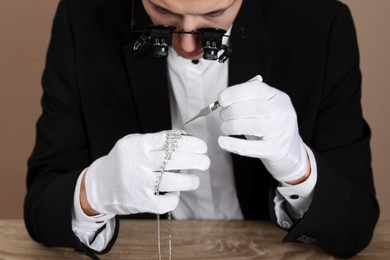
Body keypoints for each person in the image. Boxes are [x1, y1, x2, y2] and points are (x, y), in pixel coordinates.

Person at [24, 0, 380, 259]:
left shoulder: (320, 23)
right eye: (162, 12)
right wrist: (95, 189)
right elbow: (40, 210)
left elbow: (356, 228)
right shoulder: (83, 17)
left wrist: (298, 167)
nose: (189, 46)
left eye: (213, 15)